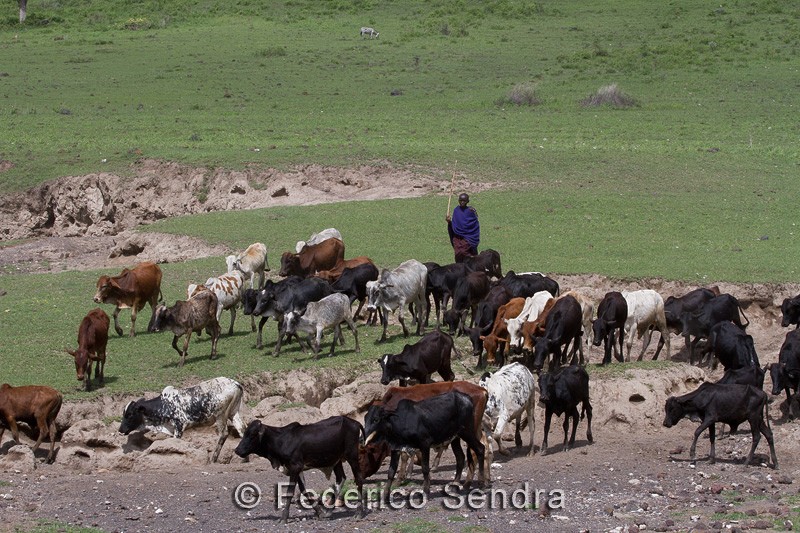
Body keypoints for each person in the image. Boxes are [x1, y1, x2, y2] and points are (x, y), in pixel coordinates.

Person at [446, 192, 480, 263]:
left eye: (464, 201)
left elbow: (474, 223)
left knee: (463, 252)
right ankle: (460, 267)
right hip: (458, 237)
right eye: (460, 200)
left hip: (468, 237)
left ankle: (472, 263)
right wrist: (449, 222)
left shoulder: (470, 211)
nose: (462, 202)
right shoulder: (456, 210)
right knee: (458, 253)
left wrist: (474, 212)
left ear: (467, 201)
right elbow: (455, 223)